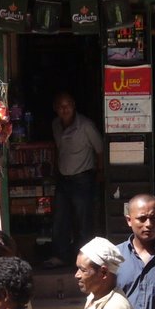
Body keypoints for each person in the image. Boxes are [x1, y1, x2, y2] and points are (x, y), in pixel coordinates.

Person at [44, 92, 104, 269]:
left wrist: (100, 173)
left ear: (74, 105)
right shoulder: (56, 125)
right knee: (60, 219)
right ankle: (60, 256)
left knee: (83, 221)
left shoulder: (85, 126)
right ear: (56, 108)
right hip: (64, 179)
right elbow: (59, 150)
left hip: (82, 179)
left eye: (68, 105)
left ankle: (85, 260)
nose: (65, 109)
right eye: (61, 106)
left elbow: (100, 150)